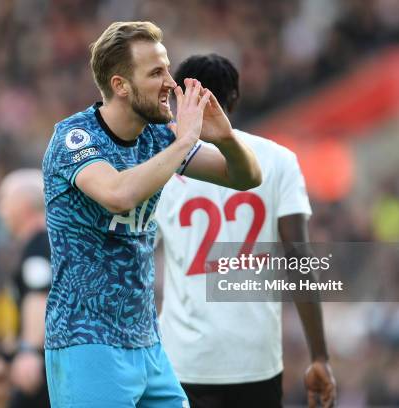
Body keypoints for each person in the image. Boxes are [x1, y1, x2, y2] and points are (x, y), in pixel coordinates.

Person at [42, 21, 262, 407]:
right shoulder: (74, 138)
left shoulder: (159, 137)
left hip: (146, 342)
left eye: (167, 68)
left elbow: (245, 177)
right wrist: (185, 141)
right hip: (86, 340)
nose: (171, 83)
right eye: (156, 72)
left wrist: (225, 138)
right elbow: (118, 194)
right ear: (120, 85)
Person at [155, 54, 337, 408]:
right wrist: (320, 357)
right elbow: (299, 258)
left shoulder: (161, 162)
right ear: (235, 99)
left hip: (184, 358)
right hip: (256, 359)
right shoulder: (278, 159)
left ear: (179, 97)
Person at [0, 169, 51, 407]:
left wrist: (29, 352)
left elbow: (40, 298)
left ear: (23, 205)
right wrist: (5, 358)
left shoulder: (39, 246)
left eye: (3, 200)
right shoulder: (40, 246)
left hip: (45, 367)